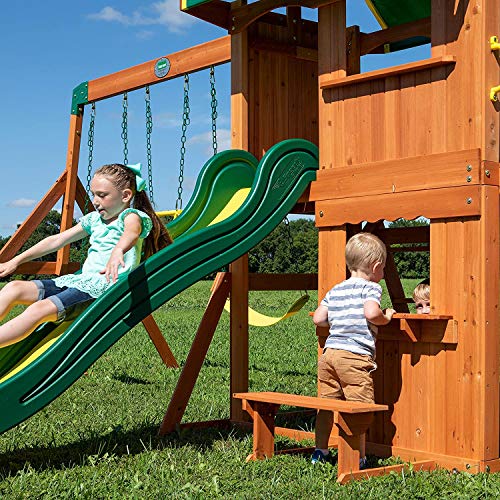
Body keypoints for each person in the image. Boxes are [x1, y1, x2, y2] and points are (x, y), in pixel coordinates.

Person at [0, 163, 172, 348]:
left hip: (105, 290)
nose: (95, 201)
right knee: (14, 287)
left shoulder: (131, 216)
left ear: (125, 196)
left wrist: (118, 250)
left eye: (102, 195)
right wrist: (16, 260)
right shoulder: (94, 220)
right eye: (93, 194)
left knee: (40, 309)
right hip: (81, 282)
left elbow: (132, 232)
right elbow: (57, 240)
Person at [311, 232, 396, 467]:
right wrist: (386, 317)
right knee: (360, 408)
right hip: (354, 356)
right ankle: (357, 458)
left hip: (329, 355)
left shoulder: (336, 289)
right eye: (383, 269)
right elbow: (371, 313)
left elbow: (318, 318)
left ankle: (320, 452)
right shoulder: (370, 288)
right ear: (376, 266)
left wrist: (340, 320)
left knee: (326, 405)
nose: (382, 273)